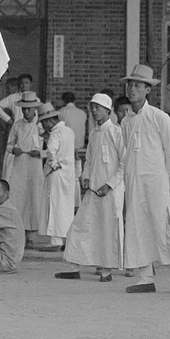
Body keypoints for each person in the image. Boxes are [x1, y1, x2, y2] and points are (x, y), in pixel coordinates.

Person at [119, 65, 170, 296]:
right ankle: (145, 277)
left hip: (157, 182)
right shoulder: (126, 120)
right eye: (130, 85)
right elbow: (128, 151)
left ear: (148, 90)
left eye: (138, 85)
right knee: (138, 226)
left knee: (164, 227)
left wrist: (166, 183)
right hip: (134, 182)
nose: (132, 89)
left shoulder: (160, 117)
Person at [59, 93, 124, 281]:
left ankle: (106, 271)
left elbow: (124, 163)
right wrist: (85, 177)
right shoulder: (95, 133)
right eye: (92, 107)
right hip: (94, 189)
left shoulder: (115, 132)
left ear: (108, 110)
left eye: (98, 108)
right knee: (80, 226)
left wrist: (109, 185)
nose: (94, 111)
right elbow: (89, 159)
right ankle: (73, 267)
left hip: (110, 192)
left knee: (107, 229)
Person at [2, 91, 45, 243]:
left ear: (35, 108)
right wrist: (13, 150)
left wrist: (40, 153)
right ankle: (17, 232)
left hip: (35, 165)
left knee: (34, 196)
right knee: (18, 196)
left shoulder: (41, 124)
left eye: (29, 108)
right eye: (24, 109)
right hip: (20, 163)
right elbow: (8, 145)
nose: (26, 111)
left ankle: (31, 235)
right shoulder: (17, 124)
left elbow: (52, 149)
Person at [37, 102, 76, 249]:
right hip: (68, 174)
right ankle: (66, 238)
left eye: (43, 123)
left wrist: (53, 164)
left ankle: (56, 241)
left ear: (48, 121)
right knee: (65, 206)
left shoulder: (55, 133)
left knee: (54, 205)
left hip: (57, 173)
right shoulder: (69, 131)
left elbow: (51, 151)